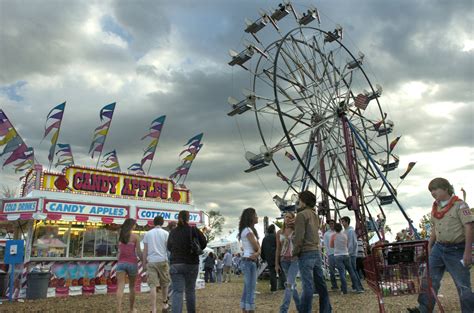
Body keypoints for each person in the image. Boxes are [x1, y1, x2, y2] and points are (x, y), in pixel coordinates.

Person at [408, 178, 473, 313]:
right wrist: (429, 246)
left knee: (462, 285)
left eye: (435, 189)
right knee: (429, 279)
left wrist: (468, 252)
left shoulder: (460, 205)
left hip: (457, 249)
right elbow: (434, 230)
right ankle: (423, 309)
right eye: (431, 190)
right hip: (439, 247)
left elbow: (469, 227)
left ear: (445, 189)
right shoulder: (435, 208)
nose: (432, 192)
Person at [293, 190, 332, 313]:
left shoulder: (301, 215)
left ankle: (305, 310)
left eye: (299, 199)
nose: (298, 202)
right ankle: (326, 310)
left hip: (305, 252)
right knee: (321, 284)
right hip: (316, 251)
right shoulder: (314, 215)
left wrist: (295, 252)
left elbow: (299, 237)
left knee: (308, 286)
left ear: (303, 201)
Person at [167, 210, 207, 313]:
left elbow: (169, 247)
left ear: (178, 218)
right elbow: (204, 243)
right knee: (190, 291)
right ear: (189, 218)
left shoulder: (173, 232)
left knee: (177, 292)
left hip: (176, 263)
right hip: (192, 263)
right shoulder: (193, 230)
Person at [143, 216, 171, 313]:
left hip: (151, 261)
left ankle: (153, 309)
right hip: (163, 260)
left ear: (153, 223)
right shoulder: (166, 233)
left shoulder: (148, 234)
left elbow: (145, 251)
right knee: (165, 284)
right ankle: (165, 304)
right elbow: (168, 249)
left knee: (152, 285)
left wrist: (143, 264)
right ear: (162, 223)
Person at [275, 211, 300, 313]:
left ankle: (283, 310)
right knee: (292, 284)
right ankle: (300, 307)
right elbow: (278, 248)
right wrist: (276, 264)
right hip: (283, 260)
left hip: (294, 259)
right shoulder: (279, 232)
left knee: (289, 284)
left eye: (290, 217)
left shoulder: (297, 231)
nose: (288, 219)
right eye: (286, 217)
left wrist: (296, 225)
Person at [116, 218, 141, 313]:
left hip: (121, 263)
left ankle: (118, 309)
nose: (135, 226)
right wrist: (143, 261)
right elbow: (138, 252)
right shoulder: (136, 237)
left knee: (120, 287)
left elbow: (119, 249)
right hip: (132, 263)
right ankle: (131, 309)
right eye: (134, 224)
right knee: (132, 287)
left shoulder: (120, 235)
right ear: (132, 225)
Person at [330, 223, 364, 294]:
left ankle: (344, 290)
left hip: (338, 255)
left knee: (342, 273)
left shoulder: (333, 236)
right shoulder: (345, 235)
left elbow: (331, 246)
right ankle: (358, 288)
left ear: (335, 229)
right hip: (346, 254)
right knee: (352, 271)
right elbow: (347, 244)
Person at [238, 207, 260, 313]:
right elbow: (256, 247)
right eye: (255, 215)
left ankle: (245, 308)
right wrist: (258, 251)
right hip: (249, 261)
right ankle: (250, 309)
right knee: (251, 288)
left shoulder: (248, 230)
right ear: (251, 217)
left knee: (248, 287)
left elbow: (257, 247)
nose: (257, 217)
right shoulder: (248, 231)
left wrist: (258, 251)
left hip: (248, 260)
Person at [340, 216, 364, 292]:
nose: (342, 223)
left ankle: (359, 287)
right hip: (348, 253)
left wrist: (349, 253)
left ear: (347, 222)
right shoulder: (345, 231)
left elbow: (352, 243)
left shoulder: (350, 231)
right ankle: (355, 286)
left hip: (351, 254)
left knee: (353, 270)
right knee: (352, 270)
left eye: (343, 221)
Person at [261, 224, 279, 292]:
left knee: (272, 272)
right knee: (281, 271)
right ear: (274, 230)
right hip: (277, 256)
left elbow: (262, 249)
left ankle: (273, 288)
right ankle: (282, 286)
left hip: (269, 258)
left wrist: (263, 257)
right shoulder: (276, 237)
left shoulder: (265, 239)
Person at [323, 219, 338, 291]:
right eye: (330, 224)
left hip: (339, 253)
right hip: (331, 253)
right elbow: (326, 245)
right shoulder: (326, 234)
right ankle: (334, 285)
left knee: (341, 269)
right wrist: (328, 253)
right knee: (332, 271)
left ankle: (343, 285)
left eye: (332, 223)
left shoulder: (338, 232)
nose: (331, 225)